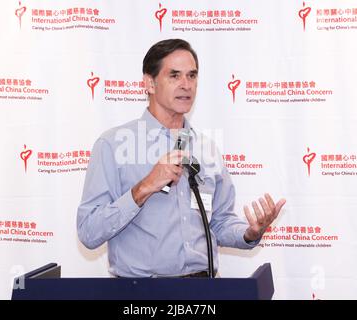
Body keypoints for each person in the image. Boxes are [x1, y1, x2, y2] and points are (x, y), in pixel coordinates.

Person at [77, 38, 286, 278]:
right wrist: (144, 188)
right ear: (150, 83)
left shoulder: (206, 148)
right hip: (141, 294)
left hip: (203, 290)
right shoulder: (112, 145)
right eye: (174, 76)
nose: (186, 85)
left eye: (192, 76)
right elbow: (88, 232)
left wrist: (249, 232)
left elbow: (219, 222)